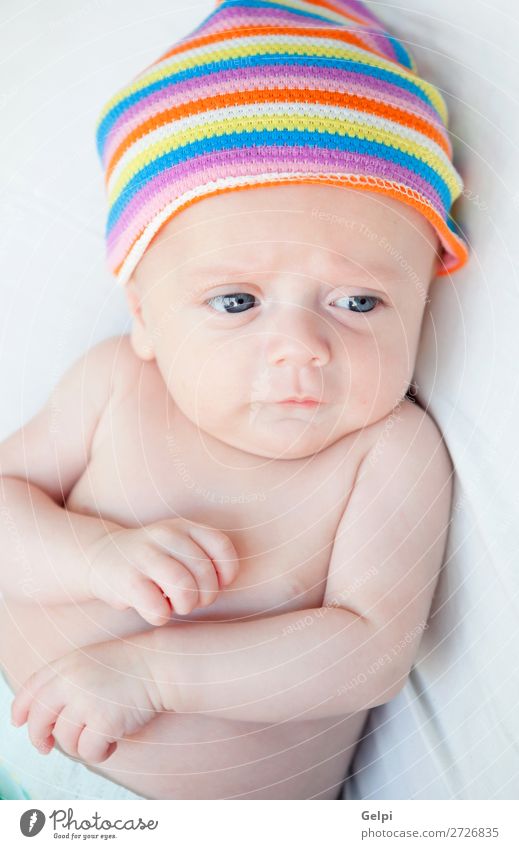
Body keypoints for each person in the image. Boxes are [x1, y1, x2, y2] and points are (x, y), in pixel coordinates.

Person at [1, 0, 468, 799]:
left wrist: (158, 672)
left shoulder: (387, 450)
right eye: (235, 302)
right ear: (144, 315)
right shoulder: (116, 381)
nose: (301, 346)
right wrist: (94, 557)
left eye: (358, 303)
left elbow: (368, 649)